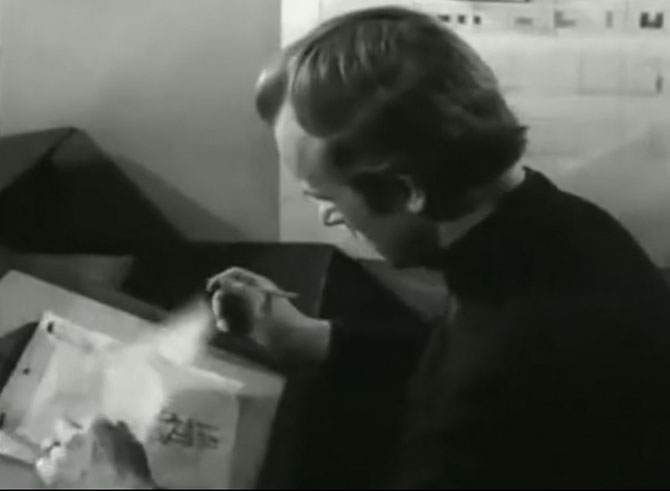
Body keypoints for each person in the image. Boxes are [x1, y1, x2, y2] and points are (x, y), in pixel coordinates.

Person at [41, 5, 670, 489]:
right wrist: (316, 339)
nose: (326, 216)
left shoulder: (505, 373)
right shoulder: (560, 225)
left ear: (405, 191)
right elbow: (456, 346)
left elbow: (488, 378)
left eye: (327, 197)